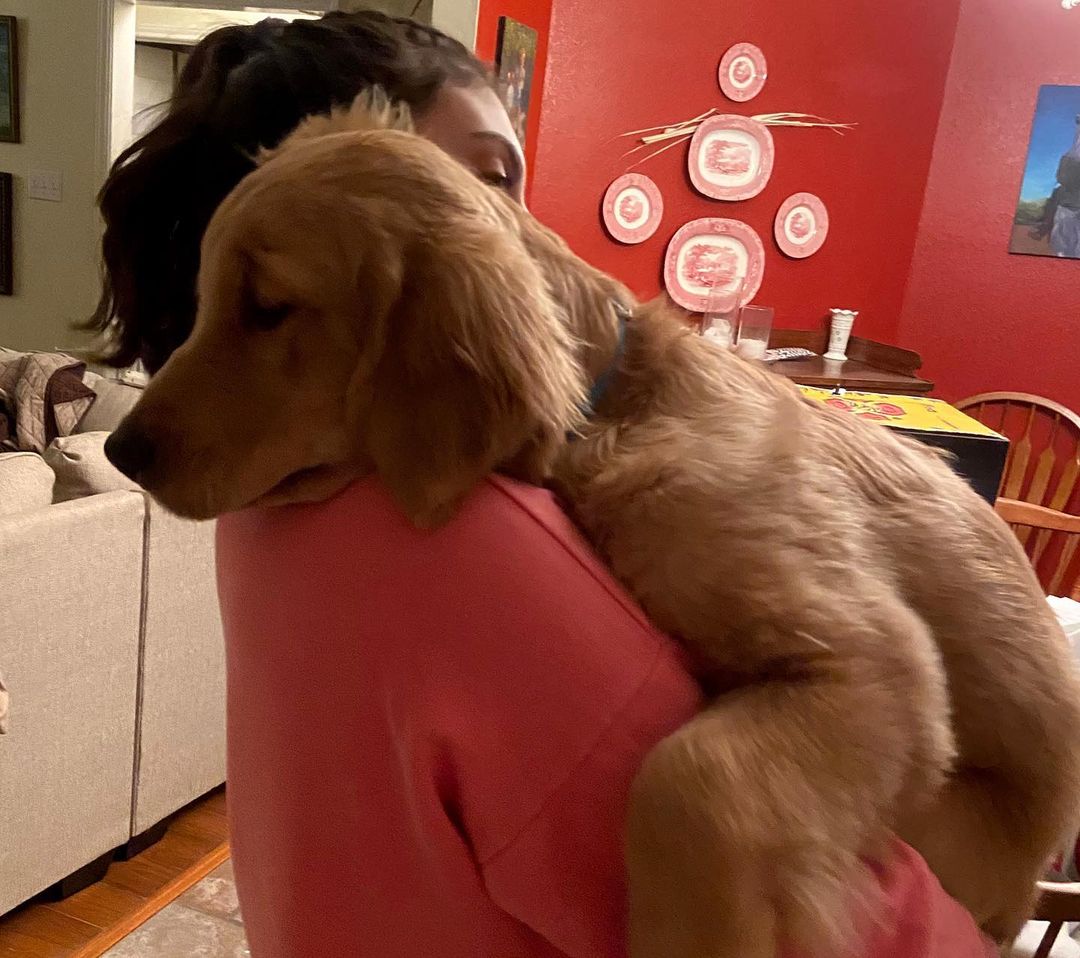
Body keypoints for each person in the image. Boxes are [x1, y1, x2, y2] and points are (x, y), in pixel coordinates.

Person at [89, 12, 996, 957]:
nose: (522, 238)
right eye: (479, 181)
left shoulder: (274, 504)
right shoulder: (472, 547)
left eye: (505, 182)